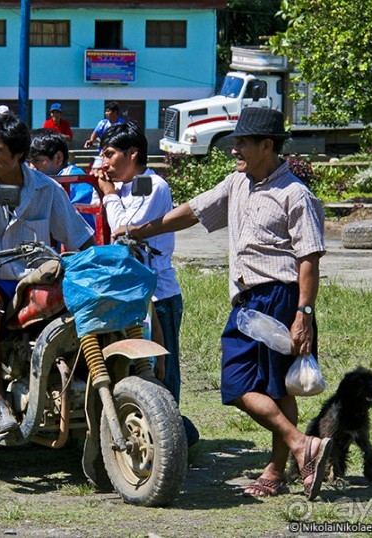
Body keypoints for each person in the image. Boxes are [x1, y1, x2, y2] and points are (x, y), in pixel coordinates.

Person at [117, 108, 332, 500]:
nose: (235, 149)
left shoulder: (295, 194)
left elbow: (309, 260)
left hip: (280, 296)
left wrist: (304, 314)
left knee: (265, 385)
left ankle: (288, 459)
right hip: (249, 298)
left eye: (243, 143)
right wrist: (139, 230)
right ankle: (299, 450)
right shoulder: (238, 182)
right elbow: (192, 212)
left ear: (267, 146)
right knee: (247, 384)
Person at [0, 113, 96, 434]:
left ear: (19, 155)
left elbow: (81, 236)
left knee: (84, 306)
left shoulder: (47, 188)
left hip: (36, 278)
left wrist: (96, 266)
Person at [89, 122, 199, 450]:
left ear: (132, 153)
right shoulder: (122, 186)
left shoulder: (151, 185)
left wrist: (108, 196)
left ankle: (173, 438)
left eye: (110, 154)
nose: (104, 162)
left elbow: (124, 231)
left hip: (158, 293)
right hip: (126, 293)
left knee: (162, 367)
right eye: (102, 154)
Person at [27, 128, 98, 229]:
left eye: (37, 161)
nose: (32, 168)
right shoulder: (40, 180)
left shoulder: (75, 179)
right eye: (29, 162)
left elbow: (78, 218)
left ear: (58, 158)